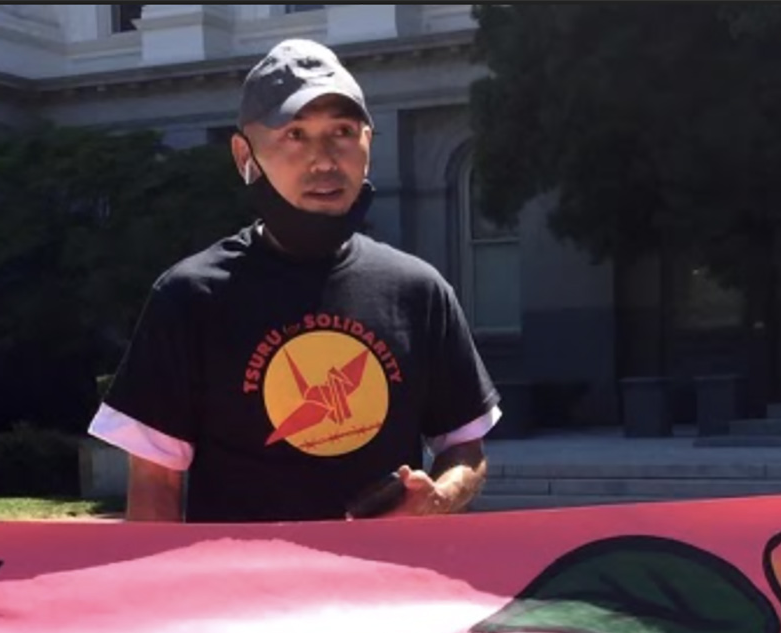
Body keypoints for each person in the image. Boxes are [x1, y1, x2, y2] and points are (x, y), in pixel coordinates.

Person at [89, 39, 500, 522]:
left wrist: (441, 496)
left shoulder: (420, 291)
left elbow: (465, 447)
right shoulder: (190, 297)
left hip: (384, 592)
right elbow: (155, 483)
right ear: (245, 154)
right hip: (244, 592)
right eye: (294, 134)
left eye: (343, 131)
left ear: (369, 141)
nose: (324, 160)